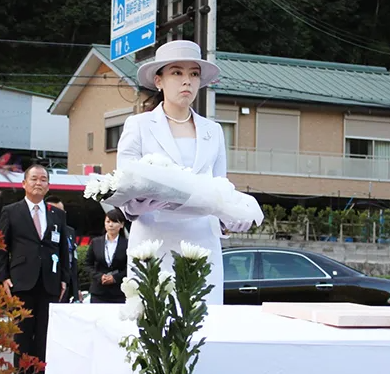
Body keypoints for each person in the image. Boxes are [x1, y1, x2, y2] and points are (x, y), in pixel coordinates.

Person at [116, 40, 251, 305]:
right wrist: (140, 203)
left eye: (194, 74)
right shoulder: (139, 125)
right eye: (177, 72)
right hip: (154, 242)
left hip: (202, 241)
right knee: (154, 327)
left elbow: (220, 189)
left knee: (202, 327)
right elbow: (123, 186)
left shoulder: (213, 131)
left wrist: (231, 218)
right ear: (159, 80)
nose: (186, 81)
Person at [0, 164, 69, 365]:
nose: (39, 183)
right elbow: (2, 247)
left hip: (50, 283)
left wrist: (64, 278)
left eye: (43, 179)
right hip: (21, 283)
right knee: (21, 337)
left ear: (48, 186)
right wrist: (3, 277)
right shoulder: (11, 211)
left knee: (44, 337)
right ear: (24, 183)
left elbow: (63, 250)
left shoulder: (57, 215)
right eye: (34, 178)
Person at [84, 208, 128, 303]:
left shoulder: (127, 244)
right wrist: (99, 277)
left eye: (114, 222)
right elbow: (88, 264)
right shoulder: (96, 242)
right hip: (98, 292)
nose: (111, 225)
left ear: (121, 225)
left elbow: (130, 267)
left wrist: (115, 278)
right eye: (108, 221)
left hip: (119, 292)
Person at [45, 195, 83, 303]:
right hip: (52, 280)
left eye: (61, 212)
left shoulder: (70, 231)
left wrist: (77, 288)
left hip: (68, 281)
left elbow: (73, 260)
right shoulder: (42, 232)